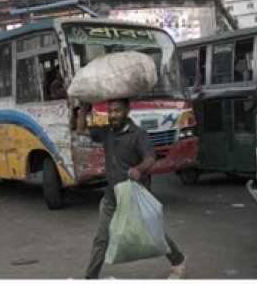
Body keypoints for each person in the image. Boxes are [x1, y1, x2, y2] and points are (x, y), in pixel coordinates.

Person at [76, 98, 187, 279]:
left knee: (153, 231)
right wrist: (83, 109)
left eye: (117, 111)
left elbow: (150, 158)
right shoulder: (106, 132)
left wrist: (138, 169)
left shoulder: (139, 134)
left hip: (133, 195)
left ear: (128, 110)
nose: (113, 115)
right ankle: (90, 278)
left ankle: (179, 260)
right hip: (111, 196)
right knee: (101, 238)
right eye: (110, 111)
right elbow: (81, 129)